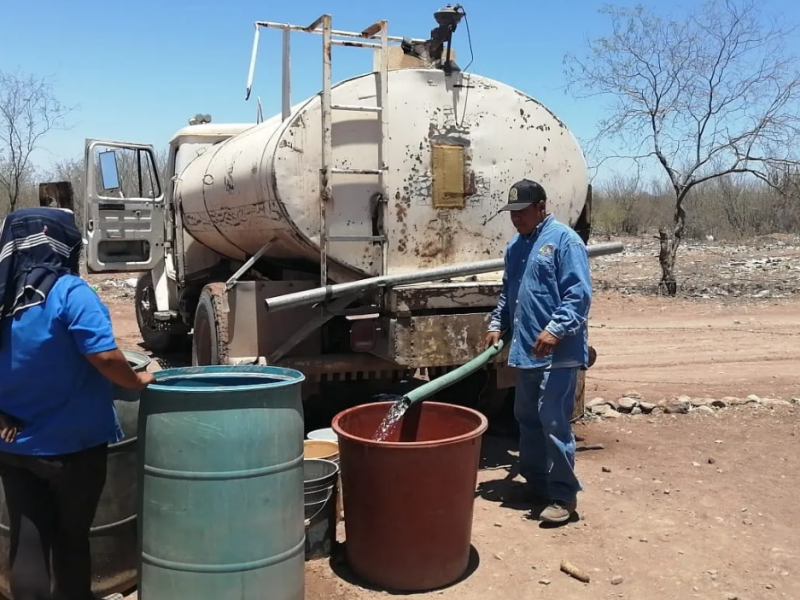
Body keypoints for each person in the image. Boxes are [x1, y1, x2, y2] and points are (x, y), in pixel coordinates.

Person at [0, 207, 155, 600]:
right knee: (71, 541)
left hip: (14, 445)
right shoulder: (68, 291)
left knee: (28, 540)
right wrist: (136, 380)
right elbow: (104, 357)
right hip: (75, 446)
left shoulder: (2, 296)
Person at [486, 179, 592, 524]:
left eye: (522, 211)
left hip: (557, 354)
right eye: (512, 213)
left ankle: (563, 496)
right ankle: (537, 484)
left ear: (541, 207)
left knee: (553, 421)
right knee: (527, 419)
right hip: (527, 351)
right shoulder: (516, 247)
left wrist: (555, 329)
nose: (516, 218)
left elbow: (579, 295)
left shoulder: (564, 241)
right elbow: (508, 293)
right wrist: (495, 324)